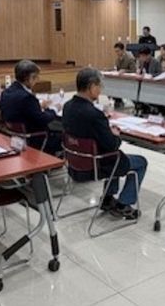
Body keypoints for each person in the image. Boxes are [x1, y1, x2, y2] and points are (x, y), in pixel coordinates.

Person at [62, 68, 147, 219]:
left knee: (114, 157)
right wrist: (115, 135)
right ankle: (124, 203)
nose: (101, 90)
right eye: (100, 86)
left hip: (75, 163)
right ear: (92, 86)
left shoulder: (67, 106)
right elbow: (112, 145)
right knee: (140, 162)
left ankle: (108, 199)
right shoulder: (94, 114)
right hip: (95, 166)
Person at [0, 60, 61, 155]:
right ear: (29, 78)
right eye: (36, 77)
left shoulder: (6, 92)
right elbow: (42, 119)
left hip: (16, 135)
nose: (37, 80)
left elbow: (23, 108)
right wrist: (54, 109)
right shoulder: (27, 97)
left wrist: (38, 106)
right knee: (63, 133)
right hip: (35, 138)